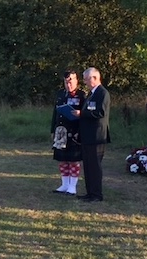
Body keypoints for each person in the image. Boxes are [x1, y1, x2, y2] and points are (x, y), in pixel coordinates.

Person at [72, 67, 110, 202]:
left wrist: (82, 114)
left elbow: (100, 112)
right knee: (87, 165)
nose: (85, 82)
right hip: (87, 136)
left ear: (94, 78)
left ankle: (96, 194)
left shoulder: (102, 93)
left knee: (94, 166)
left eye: (87, 79)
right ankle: (89, 192)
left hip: (96, 136)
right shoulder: (91, 94)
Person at [50, 70, 86, 195]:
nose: (68, 84)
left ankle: (72, 186)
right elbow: (55, 113)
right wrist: (52, 130)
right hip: (60, 131)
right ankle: (64, 184)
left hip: (74, 132)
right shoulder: (60, 94)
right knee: (62, 159)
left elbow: (84, 116)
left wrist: (80, 132)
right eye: (66, 81)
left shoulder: (82, 96)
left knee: (73, 159)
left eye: (71, 81)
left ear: (77, 81)